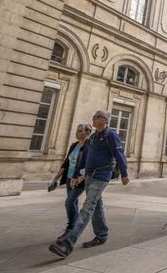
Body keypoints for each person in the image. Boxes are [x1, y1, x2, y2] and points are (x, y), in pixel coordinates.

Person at [48, 110, 129, 258]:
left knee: (88, 206)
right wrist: (75, 175)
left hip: (102, 175)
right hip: (89, 176)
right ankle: (102, 235)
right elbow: (84, 159)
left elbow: (119, 155)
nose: (95, 119)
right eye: (94, 117)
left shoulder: (111, 135)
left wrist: (124, 173)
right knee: (96, 205)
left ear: (105, 120)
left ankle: (67, 243)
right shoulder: (92, 137)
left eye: (98, 117)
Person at [49, 123, 92, 240]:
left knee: (69, 201)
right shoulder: (74, 145)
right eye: (77, 130)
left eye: (79, 131)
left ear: (87, 133)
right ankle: (74, 227)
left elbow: (89, 164)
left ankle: (71, 228)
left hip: (79, 179)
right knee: (72, 202)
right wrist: (55, 179)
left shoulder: (89, 146)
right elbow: (66, 163)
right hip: (69, 177)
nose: (76, 133)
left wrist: (81, 177)